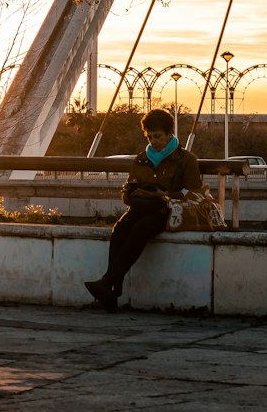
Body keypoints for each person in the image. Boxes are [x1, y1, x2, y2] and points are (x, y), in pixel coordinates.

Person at [84, 107, 203, 314]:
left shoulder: (186, 160)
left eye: (157, 136)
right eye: (149, 137)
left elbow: (194, 193)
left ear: (169, 134)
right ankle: (111, 290)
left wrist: (162, 195)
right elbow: (128, 187)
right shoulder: (141, 159)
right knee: (120, 229)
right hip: (141, 208)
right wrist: (130, 194)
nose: (153, 142)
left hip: (165, 211)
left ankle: (108, 283)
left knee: (140, 229)